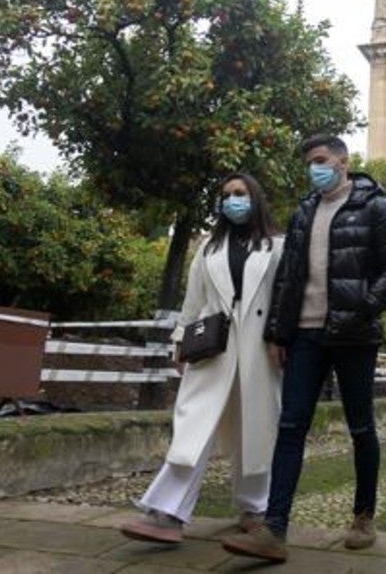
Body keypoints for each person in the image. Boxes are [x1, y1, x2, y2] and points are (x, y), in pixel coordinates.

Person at [222, 134, 386, 562]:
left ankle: (364, 516)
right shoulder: (305, 210)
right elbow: (288, 276)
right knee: (290, 428)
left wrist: (362, 308)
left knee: (361, 427)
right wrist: (277, 332)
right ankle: (274, 529)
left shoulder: (376, 205)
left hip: (354, 334)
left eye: (321, 160)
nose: (314, 168)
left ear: (344, 161)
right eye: (309, 162)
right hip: (305, 335)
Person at [119, 173, 284, 544]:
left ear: (255, 198)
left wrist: (282, 339)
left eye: (240, 194)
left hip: (260, 350)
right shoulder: (210, 246)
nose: (232, 201)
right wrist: (180, 339)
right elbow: (193, 299)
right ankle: (167, 512)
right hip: (213, 348)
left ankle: (255, 508)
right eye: (226, 195)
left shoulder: (278, 246)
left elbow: (285, 299)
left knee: (255, 429)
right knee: (194, 425)